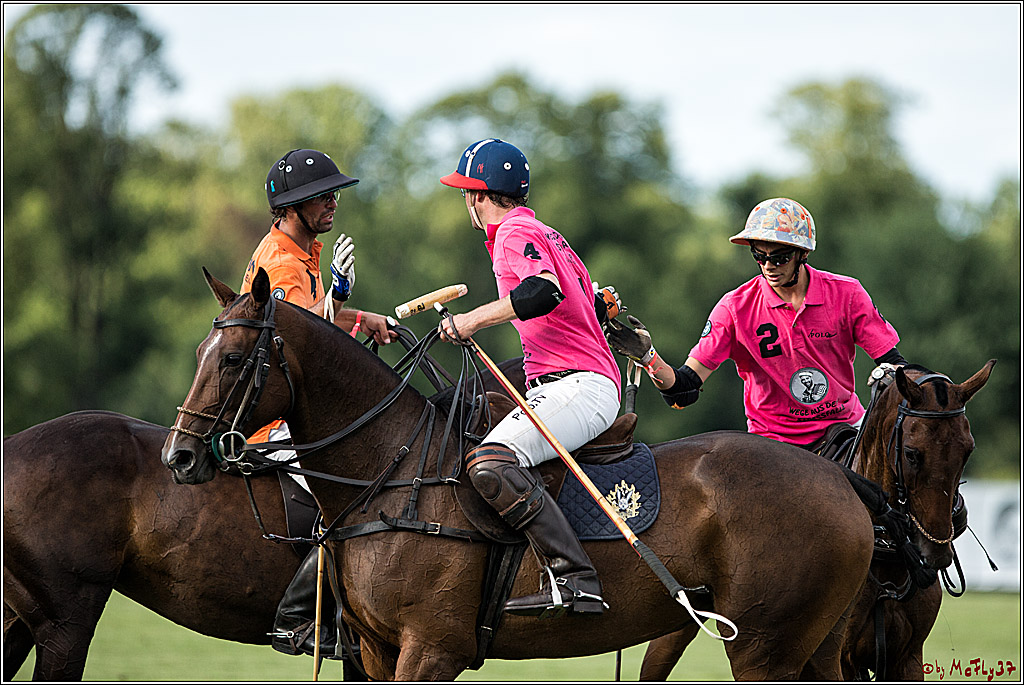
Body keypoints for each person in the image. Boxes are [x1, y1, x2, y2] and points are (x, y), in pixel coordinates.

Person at [437, 138, 622, 617]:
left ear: (478, 195)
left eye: (465, 192)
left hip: (578, 385)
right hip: (574, 380)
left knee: (490, 462)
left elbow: (543, 291)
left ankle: (575, 578)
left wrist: (470, 321)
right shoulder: (545, 232)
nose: (465, 201)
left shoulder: (513, 233)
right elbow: (585, 304)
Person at [605, 197, 907, 450]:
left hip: (845, 430)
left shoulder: (847, 293)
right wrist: (648, 357)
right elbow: (683, 392)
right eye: (759, 256)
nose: (768, 266)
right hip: (772, 444)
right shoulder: (734, 308)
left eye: (780, 258)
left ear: (802, 253)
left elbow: (895, 365)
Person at [249, 148, 398, 659]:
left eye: (334, 193)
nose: (333, 202)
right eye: (321, 196)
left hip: (295, 411)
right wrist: (336, 296)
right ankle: (296, 619)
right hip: (270, 421)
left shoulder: (304, 250)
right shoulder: (279, 261)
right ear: (290, 208)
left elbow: (316, 319)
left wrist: (362, 318)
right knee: (352, 499)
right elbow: (297, 329)